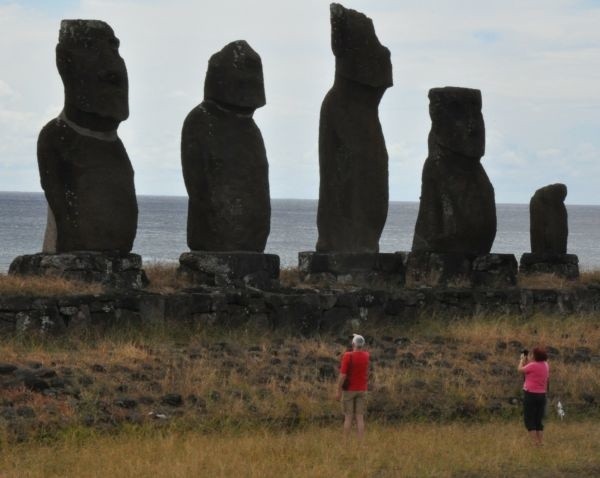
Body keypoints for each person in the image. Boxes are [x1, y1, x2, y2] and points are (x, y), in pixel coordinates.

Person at [335, 333, 370, 438]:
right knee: (360, 417)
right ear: (363, 345)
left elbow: (342, 376)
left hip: (349, 390)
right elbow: (360, 342)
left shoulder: (347, 356)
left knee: (348, 417)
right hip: (362, 389)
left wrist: (338, 391)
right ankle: (360, 442)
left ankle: (345, 441)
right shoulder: (366, 356)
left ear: (353, 343)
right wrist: (359, 336)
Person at [518, 346, 550, 446]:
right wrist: (527, 360)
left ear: (536, 356)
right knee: (538, 419)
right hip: (542, 395)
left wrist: (521, 360)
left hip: (530, 394)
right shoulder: (545, 365)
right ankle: (540, 442)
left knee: (529, 419)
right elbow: (531, 368)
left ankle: (535, 442)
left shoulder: (532, 365)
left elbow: (520, 370)